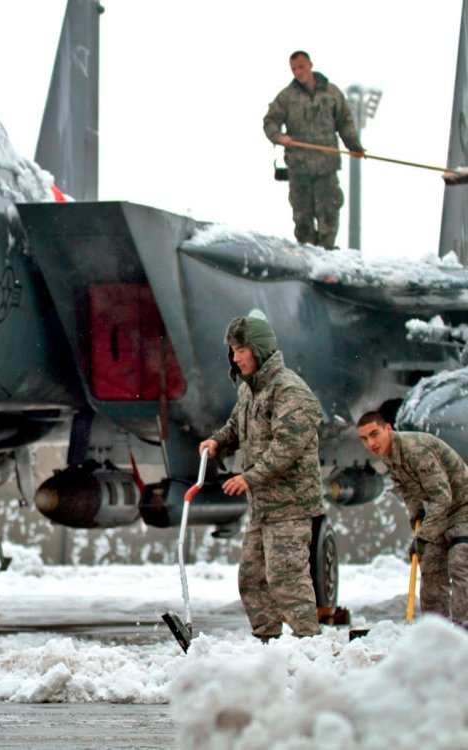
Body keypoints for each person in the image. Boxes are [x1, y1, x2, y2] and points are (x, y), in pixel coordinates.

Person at [198, 314, 324, 641]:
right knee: (251, 580)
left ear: (259, 349)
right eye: (233, 350)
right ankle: (268, 644)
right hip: (263, 507)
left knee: (286, 579)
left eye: (241, 349)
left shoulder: (290, 391)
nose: (236, 357)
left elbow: (288, 447)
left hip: (291, 504)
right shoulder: (248, 392)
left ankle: (309, 646)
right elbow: (235, 428)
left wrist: (249, 477)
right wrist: (217, 442)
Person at [356, 411, 468, 628]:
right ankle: (435, 629)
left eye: (374, 434)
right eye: (364, 439)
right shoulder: (390, 456)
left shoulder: (416, 450)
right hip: (441, 511)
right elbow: (409, 492)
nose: (370, 443)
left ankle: (464, 624)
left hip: (463, 507)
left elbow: (441, 496)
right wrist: (416, 518)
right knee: (431, 565)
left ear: (388, 429)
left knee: (460, 561)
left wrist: (423, 536)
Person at [263, 50, 365, 250]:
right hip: (299, 169)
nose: (298, 72)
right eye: (293, 69)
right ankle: (308, 257)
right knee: (302, 218)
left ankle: (327, 255)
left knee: (329, 214)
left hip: (326, 166)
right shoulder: (286, 97)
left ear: (310, 65)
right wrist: (279, 137)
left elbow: (344, 121)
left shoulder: (332, 93)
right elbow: (270, 121)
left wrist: (354, 146)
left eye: (301, 67)